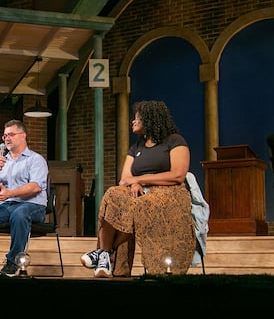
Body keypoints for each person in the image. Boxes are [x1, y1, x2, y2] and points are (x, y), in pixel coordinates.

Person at [81, 100, 195, 278]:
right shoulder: (136, 148)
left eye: (137, 118)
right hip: (139, 191)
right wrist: (134, 183)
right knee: (113, 194)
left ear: (149, 119)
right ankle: (104, 254)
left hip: (170, 192)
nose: (132, 122)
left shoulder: (174, 141)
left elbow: (178, 175)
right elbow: (124, 179)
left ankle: (104, 253)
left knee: (140, 206)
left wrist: (139, 179)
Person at [0, 119, 49, 276]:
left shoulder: (35, 159)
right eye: (5, 135)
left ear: (23, 136)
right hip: (8, 207)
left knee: (19, 213)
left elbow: (35, 187)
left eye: (11, 134)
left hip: (33, 206)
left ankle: (13, 262)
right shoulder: (2, 161)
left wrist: (9, 194)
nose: (7, 138)